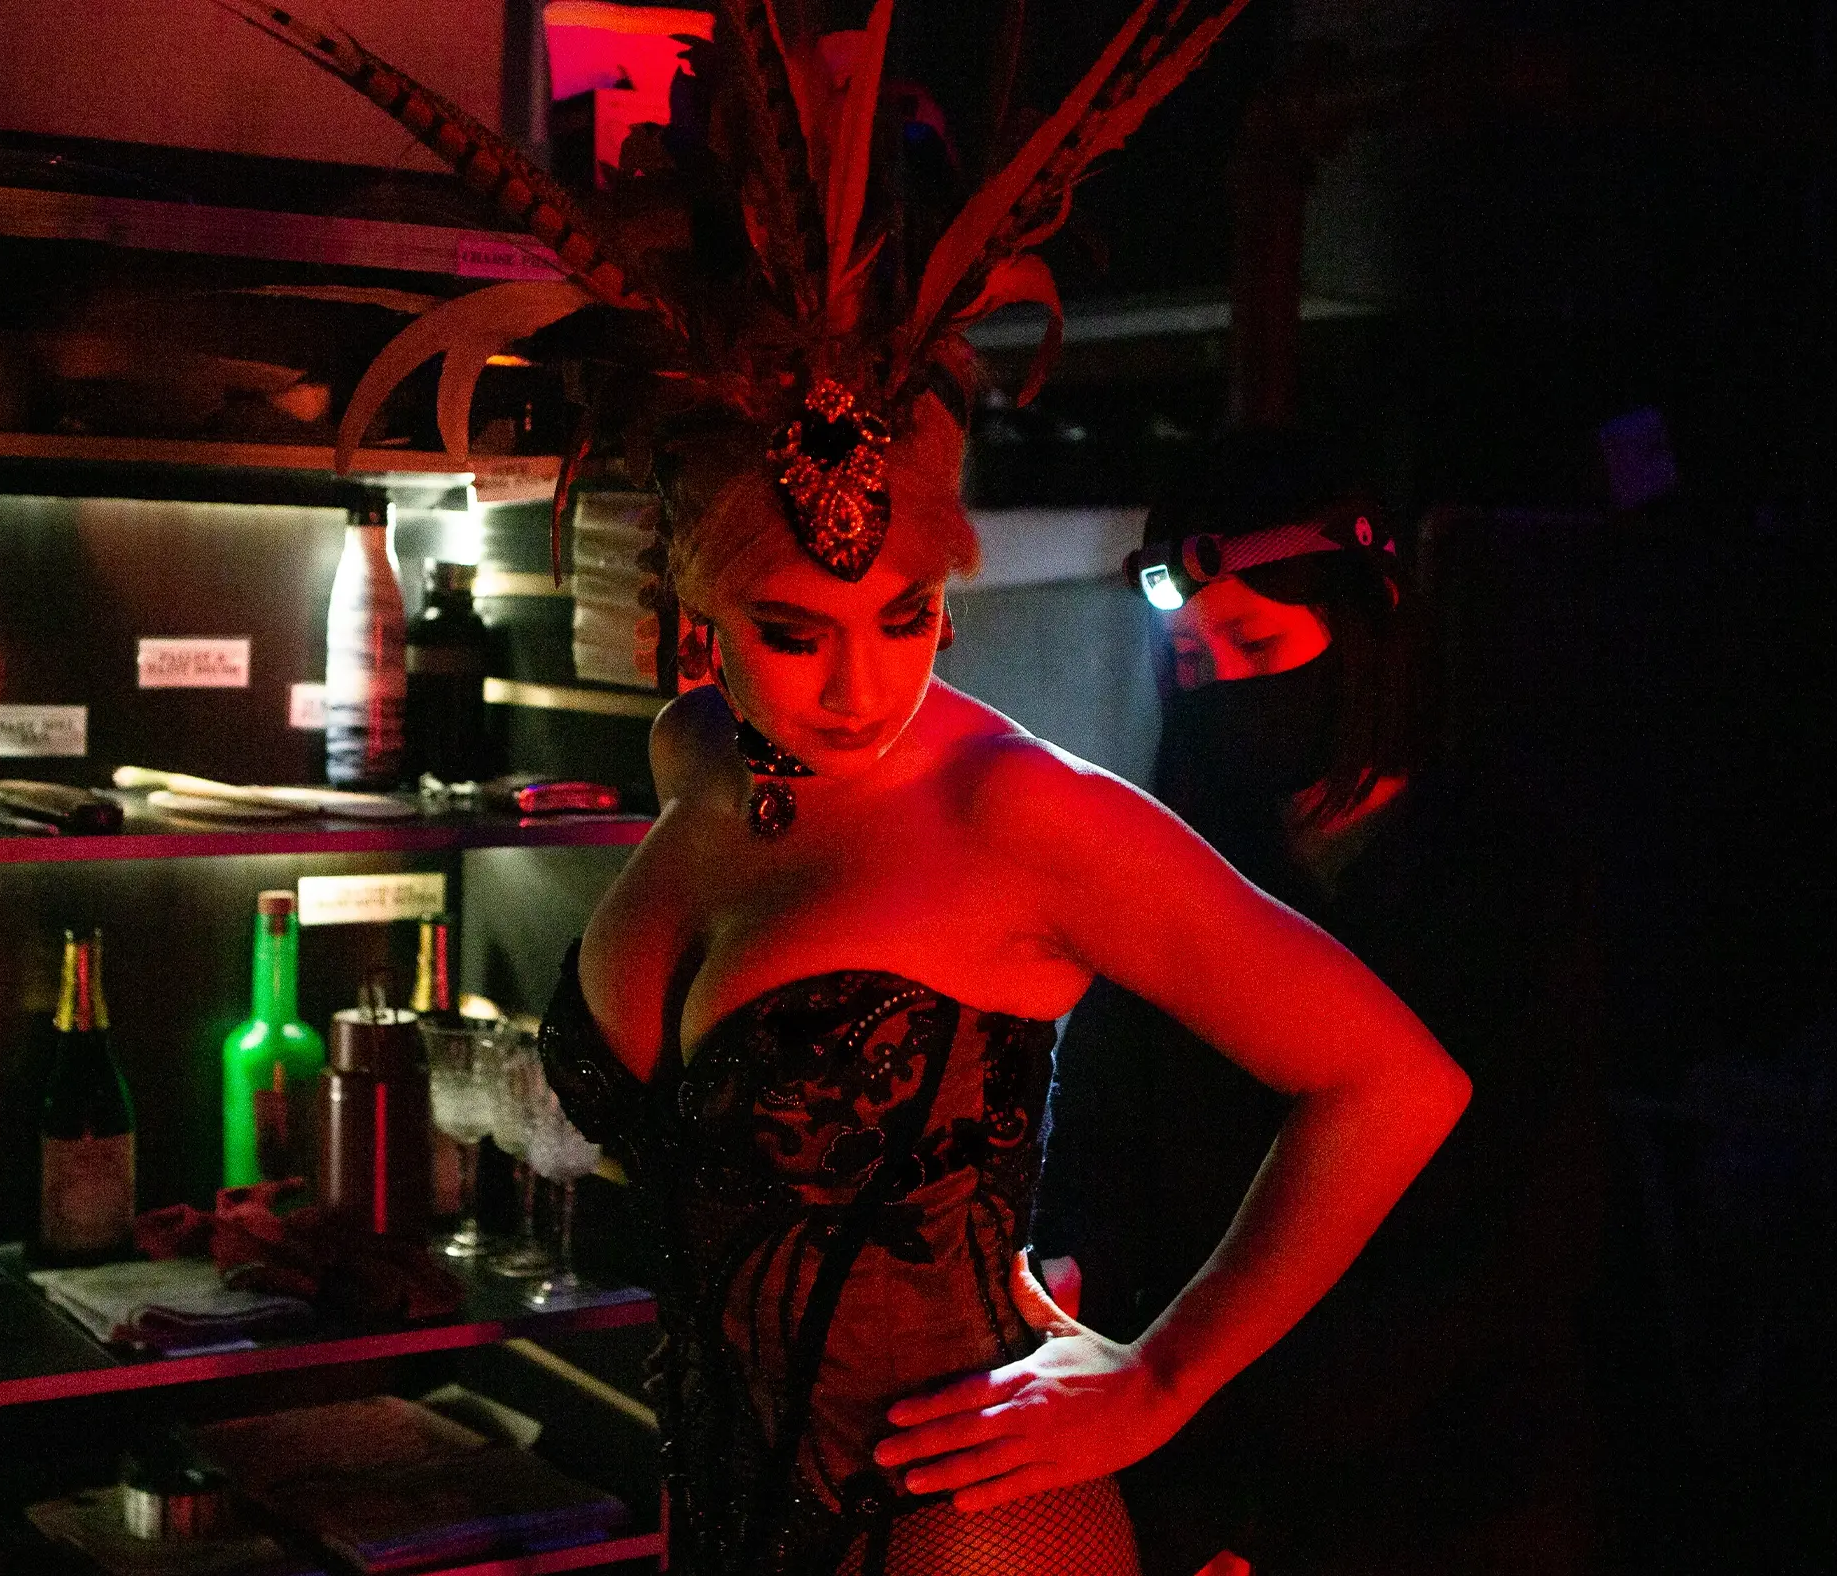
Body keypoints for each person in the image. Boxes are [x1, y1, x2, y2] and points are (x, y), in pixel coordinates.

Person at [222, 5, 1466, 1572]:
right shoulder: (694, 753)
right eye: (795, 633)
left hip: (963, 1529)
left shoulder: (1016, 811)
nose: (862, 686)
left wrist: (1162, 1378)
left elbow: (1393, 1084)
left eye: (908, 617)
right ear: (698, 610)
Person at [1037, 433, 1606, 1575]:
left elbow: (1516, 1247)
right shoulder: (1173, 881)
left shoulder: (1510, 886)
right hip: (1194, 1472)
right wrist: (1066, 1280)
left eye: (1255, 644)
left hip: (1449, 1488)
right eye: (1191, 662)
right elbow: (1096, 1151)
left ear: (1365, 621)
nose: (1223, 687)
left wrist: (1245, 1471)